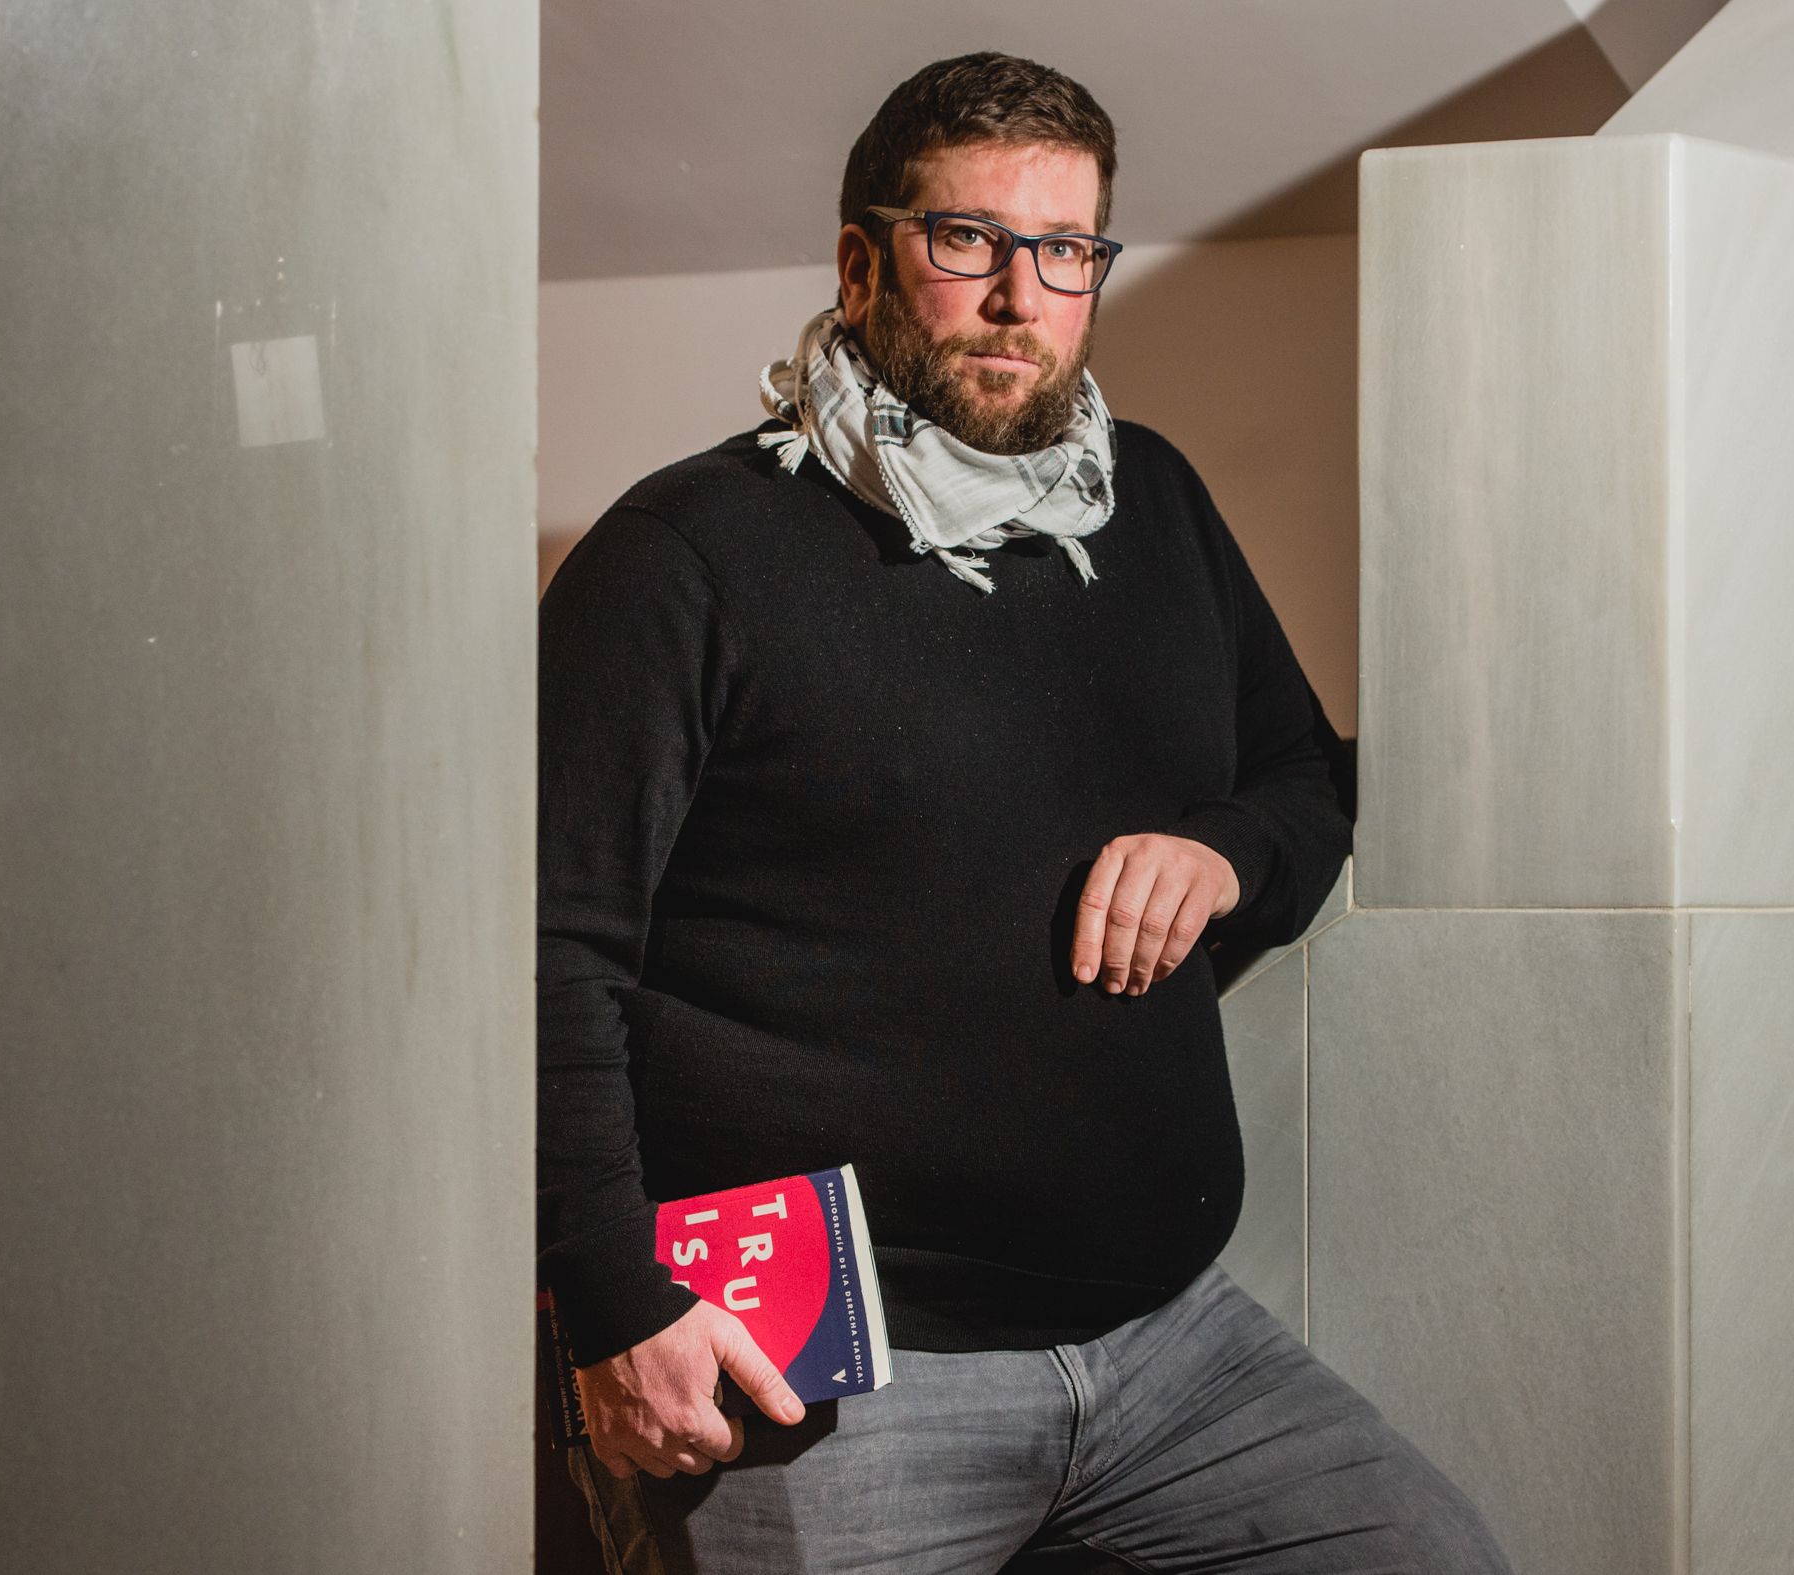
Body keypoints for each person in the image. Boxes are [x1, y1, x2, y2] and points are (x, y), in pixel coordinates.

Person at [536, 50, 1513, 1574]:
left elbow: (1304, 774)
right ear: (862, 261)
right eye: (968, 240)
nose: (1019, 297)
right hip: (826, 1377)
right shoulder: (685, 554)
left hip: (1169, 1343)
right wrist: (613, 1300)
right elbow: (546, 951)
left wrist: (1224, 852)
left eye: (1065, 249)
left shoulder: (1153, 501)